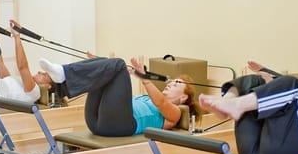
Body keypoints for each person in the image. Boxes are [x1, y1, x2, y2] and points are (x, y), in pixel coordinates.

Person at [38, 57, 201, 136]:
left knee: (118, 65)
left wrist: (144, 79)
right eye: (172, 81)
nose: (171, 83)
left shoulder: (175, 114)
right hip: (96, 121)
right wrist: (98, 65)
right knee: (106, 66)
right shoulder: (147, 98)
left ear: (184, 98)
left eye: (177, 83)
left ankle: (63, 75)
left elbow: (161, 102)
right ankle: (61, 80)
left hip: (120, 126)